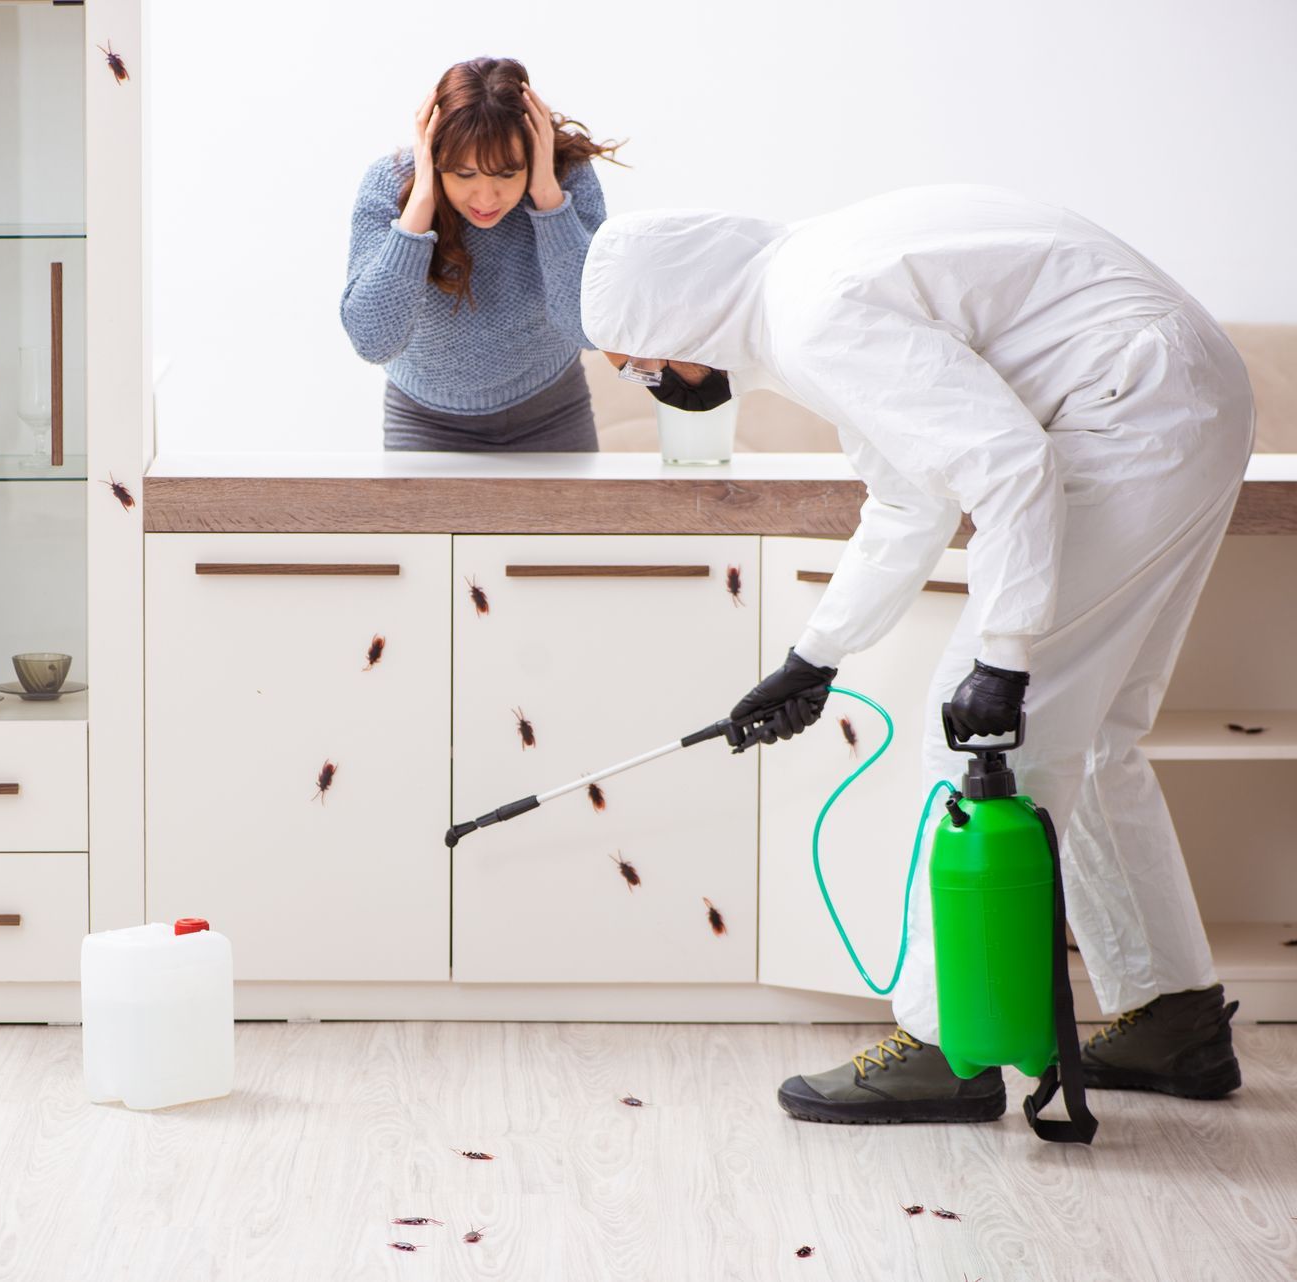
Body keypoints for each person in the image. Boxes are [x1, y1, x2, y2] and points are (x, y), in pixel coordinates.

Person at [581, 185, 1255, 1124]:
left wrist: (1005, 658)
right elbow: (909, 501)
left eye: (642, 364)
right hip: (1180, 396)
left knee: (979, 740)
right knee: (1092, 736)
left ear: (679, 316)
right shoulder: (807, 294)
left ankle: (949, 1047)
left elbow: (1009, 465)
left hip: (1134, 406)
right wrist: (815, 658)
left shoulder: (816, 315)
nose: (652, 384)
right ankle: (1173, 1019)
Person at [341, 57, 619, 451]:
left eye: (507, 173)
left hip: (553, 414)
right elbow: (372, 340)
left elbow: (589, 329)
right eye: (464, 174)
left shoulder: (566, 179)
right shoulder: (389, 185)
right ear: (435, 157)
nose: (486, 198)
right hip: (425, 422)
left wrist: (549, 201)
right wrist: (420, 206)